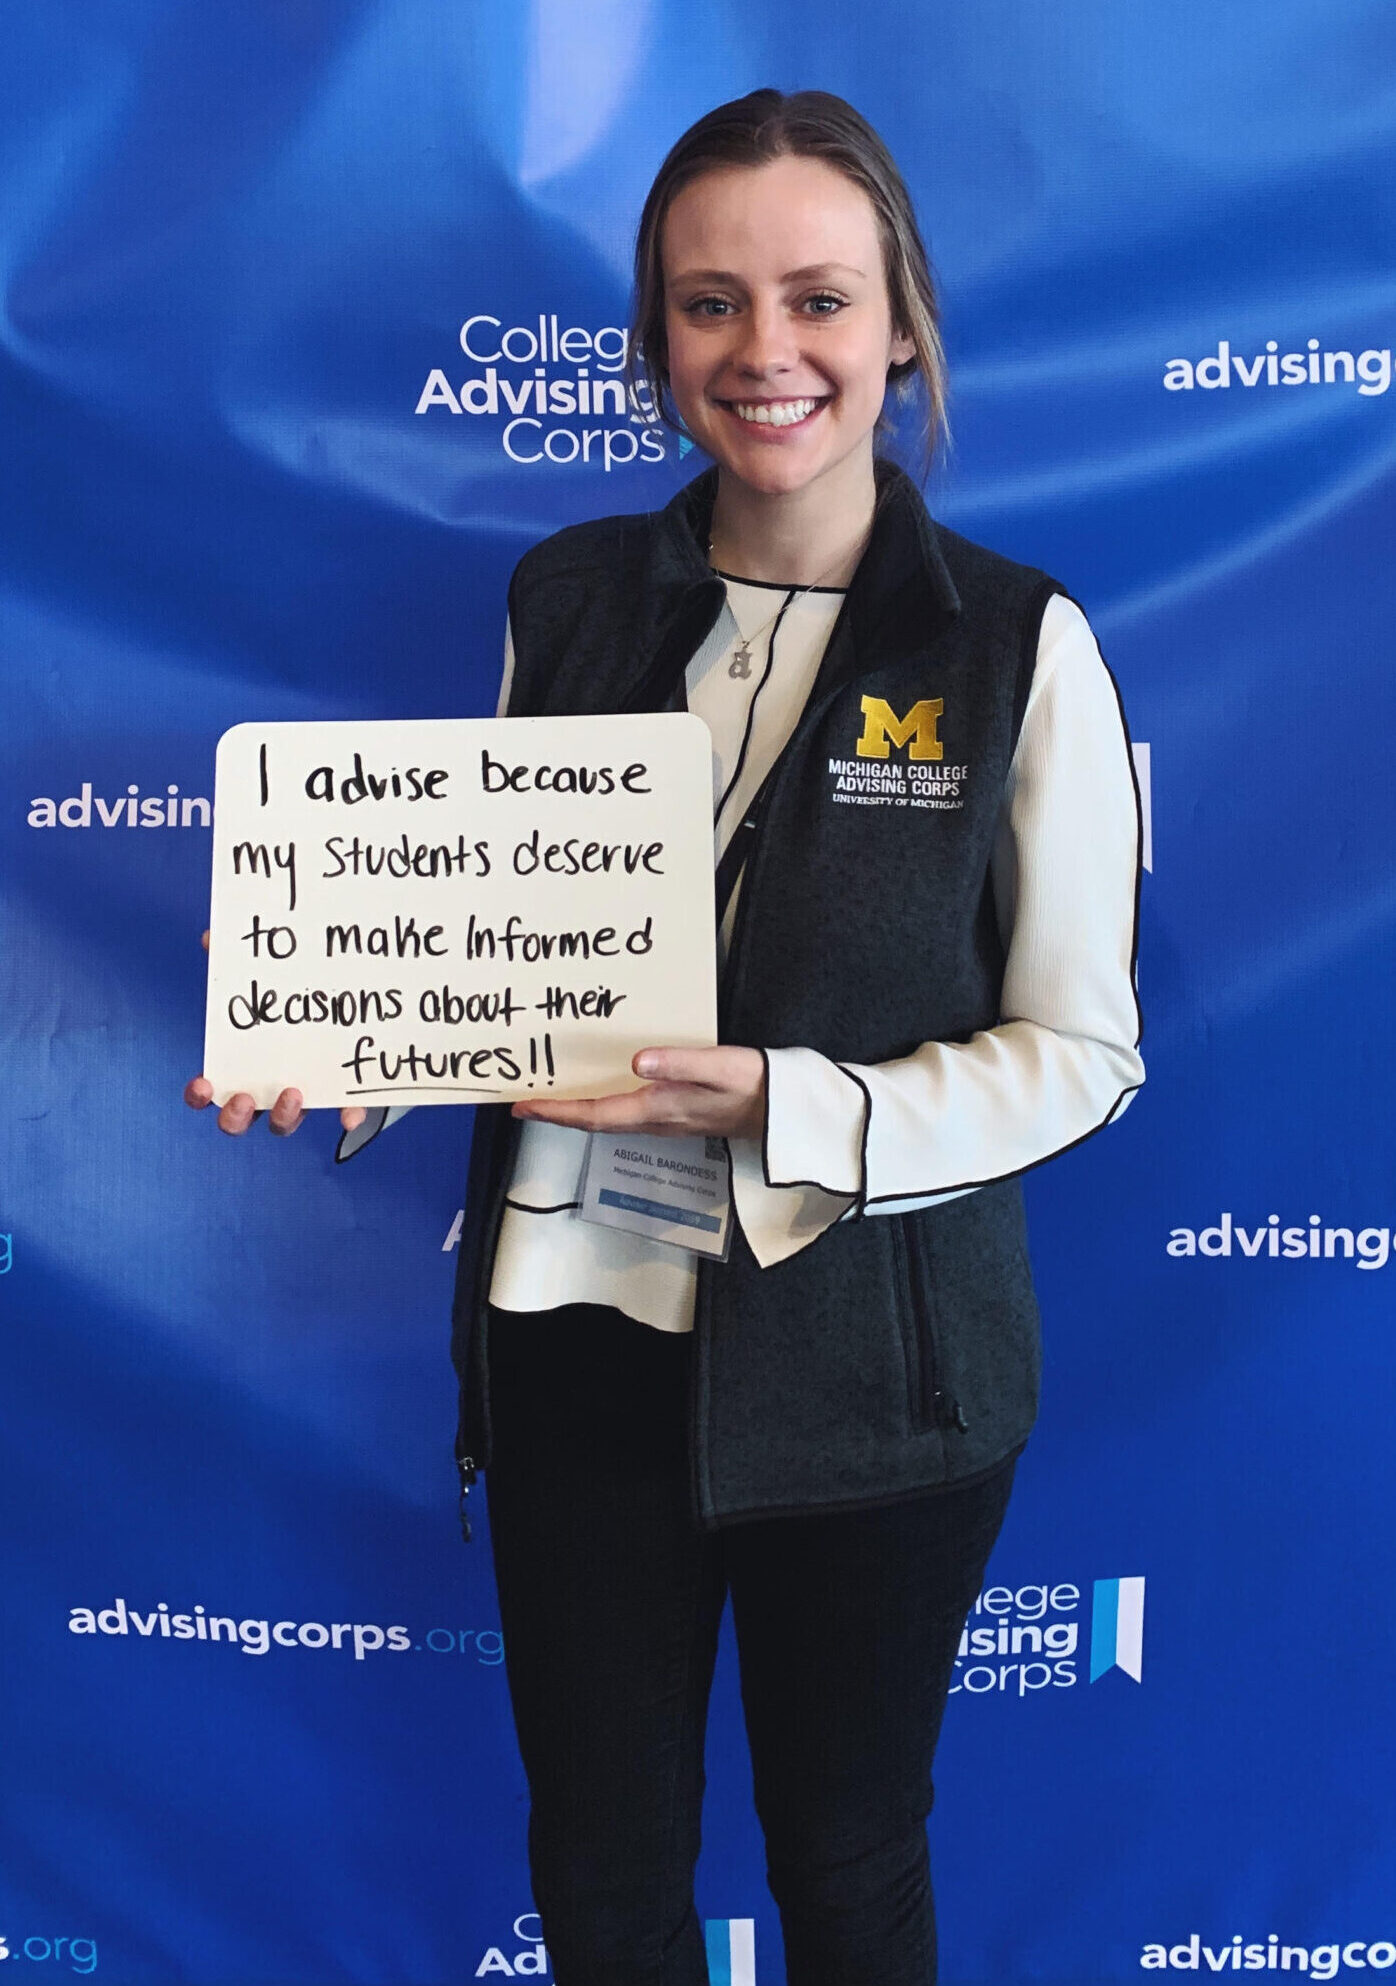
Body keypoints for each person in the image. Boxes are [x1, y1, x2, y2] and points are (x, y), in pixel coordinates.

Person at [187, 89, 1144, 1986]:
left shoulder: (1018, 646)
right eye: (711, 306)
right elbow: (488, 948)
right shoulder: (570, 595)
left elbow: (1083, 1049)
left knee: (851, 1860)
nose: (767, 352)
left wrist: (797, 1101)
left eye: (816, 299)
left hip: (877, 1375)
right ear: (656, 343)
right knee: (605, 1871)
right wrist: (348, 1043)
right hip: (581, 1350)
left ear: (900, 330)